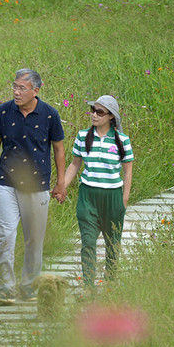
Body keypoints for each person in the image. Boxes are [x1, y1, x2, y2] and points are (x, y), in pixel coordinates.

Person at [0, 69, 67, 305]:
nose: (16, 92)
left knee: (34, 239)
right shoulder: (3, 111)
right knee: (4, 235)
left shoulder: (50, 115)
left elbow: (59, 149)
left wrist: (61, 182)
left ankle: (29, 285)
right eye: (14, 86)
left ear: (36, 90)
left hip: (37, 184)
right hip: (5, 182)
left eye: (22, 88)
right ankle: (5, 287)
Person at [61, 95, 134, 288]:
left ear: (111, 116)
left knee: (112, 244)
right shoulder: (83, 136)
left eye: (99, 112)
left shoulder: (122, 140)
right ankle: (88, 286)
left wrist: (124, 201)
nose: (94, 115)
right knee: (88, 242)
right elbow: (74, 165)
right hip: (88, 196)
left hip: (113, 196)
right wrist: (62, 187)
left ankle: (110, 284)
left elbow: (128, 171)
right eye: (93, 110)